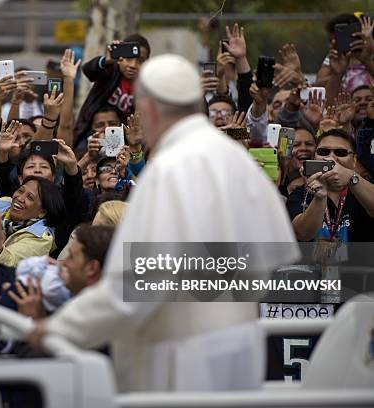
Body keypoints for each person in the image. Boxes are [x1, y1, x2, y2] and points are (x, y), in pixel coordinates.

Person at [28, 54, 299, 392]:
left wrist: (56, 329)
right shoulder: (237, 159)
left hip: (184, 360)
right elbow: (274, 258)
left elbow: (135, 286)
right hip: (239, 349)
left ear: (150, 109)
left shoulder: (170, 168)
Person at [287, 129, 374, 242]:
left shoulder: (363, 187)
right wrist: (320, 197)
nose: (331, 158)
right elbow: (301, 234)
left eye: (340, 152)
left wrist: (351, 177)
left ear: (354, 160)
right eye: (323, 152)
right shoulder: (300, 193)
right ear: (314, 157)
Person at [73, 34, 150, 151]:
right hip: (93, 133)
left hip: (125, 139)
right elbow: (88, 70)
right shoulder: (110, 70)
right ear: (119, 59)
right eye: (128, 59)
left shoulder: (146, 87)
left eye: (140, 61)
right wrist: (106, 60)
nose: (133, 65)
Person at [0, 176, 65, 267]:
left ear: (42, 212)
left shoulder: (41, 238)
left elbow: (12, 262)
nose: (20, 198)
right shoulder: (4, 203)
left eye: (30, 198)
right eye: (20, 191)